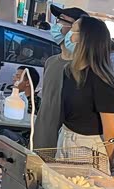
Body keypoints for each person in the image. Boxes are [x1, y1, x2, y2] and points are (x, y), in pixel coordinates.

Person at [57, 17, 114, 172]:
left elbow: (110, 129)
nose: (69, 34)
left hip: (87, 147)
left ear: (86, 39)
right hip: (65, 137)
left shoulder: (101, 79)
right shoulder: (69, 71)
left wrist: (109, 159)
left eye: (74, 30)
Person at [33, 5, 88, 149]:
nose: (57, 25)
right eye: (58, 20)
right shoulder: (51, 61)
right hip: (41, 134)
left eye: (63, 21)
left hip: (63, 142)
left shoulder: (81, 68)